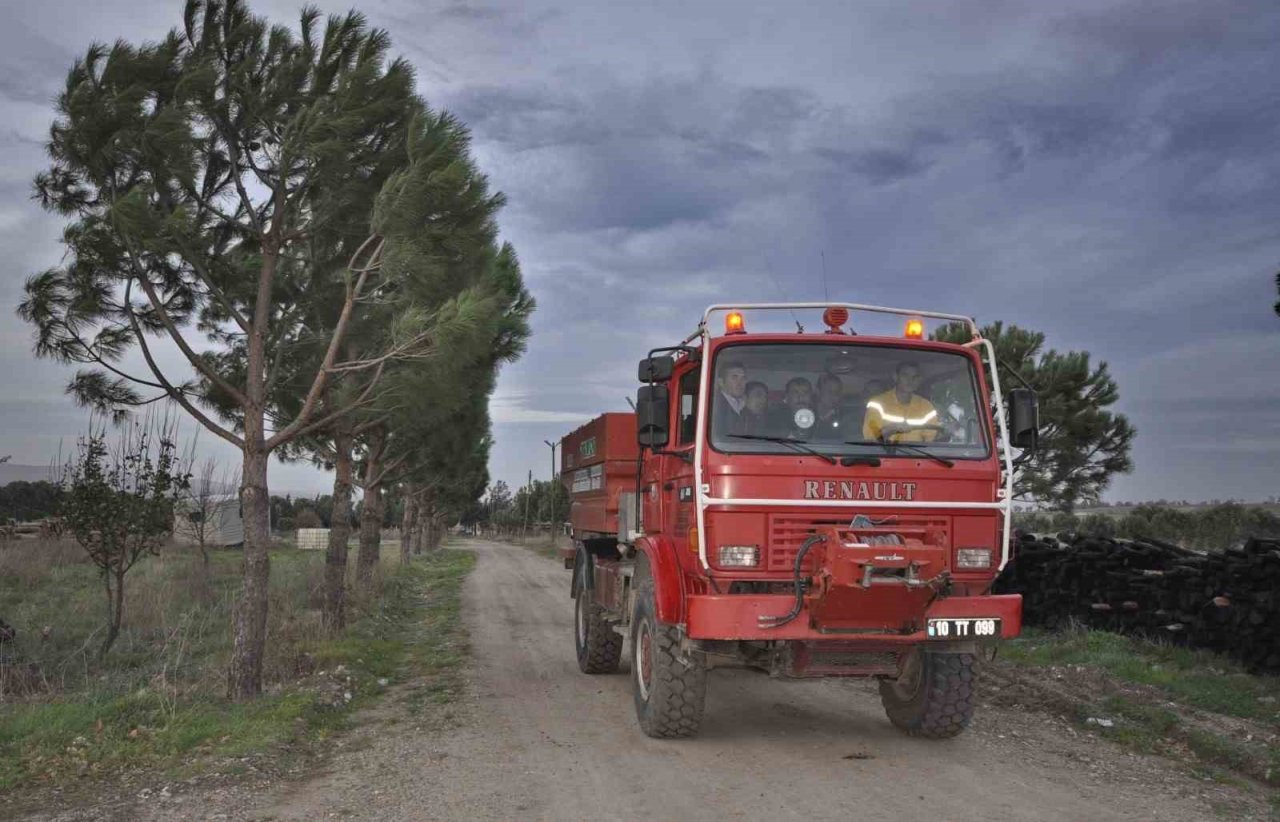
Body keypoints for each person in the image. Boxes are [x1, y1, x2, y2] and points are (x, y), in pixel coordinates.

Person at [863, 362, 938, 443]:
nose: (910, 380)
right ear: (895, 377)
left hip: (918, 455)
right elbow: (871, 439)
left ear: (919, 380)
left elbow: (932, 442)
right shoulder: (877, 404)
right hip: (884, 454)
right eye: (905, 375)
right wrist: (892, 429)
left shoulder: (926, 406)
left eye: (915, 377)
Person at [812, 373, 853, 441]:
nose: (833, 395)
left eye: (837, 392)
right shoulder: (806, 414)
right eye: (829, 391)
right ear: (818, 391)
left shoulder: (845, 418)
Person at [712, 360, 748, 435]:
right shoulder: (714, 406)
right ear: (721, 382)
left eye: (743, 378)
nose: (740, 383)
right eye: (734, 377)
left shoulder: (745, 404)